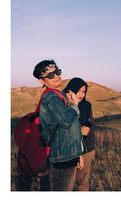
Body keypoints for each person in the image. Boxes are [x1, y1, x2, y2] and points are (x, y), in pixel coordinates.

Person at [33, 59, 84, 191]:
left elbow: (72, 126)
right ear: (41, 80)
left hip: (68, 155)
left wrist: (78, 153)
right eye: (50, 75)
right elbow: (66, 121)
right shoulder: (51, 97)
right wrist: (74, 105)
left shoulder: (59, 95)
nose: (56, 76)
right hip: (62, 158)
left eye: (57, 72)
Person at [63, 78, 95, 191]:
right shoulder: (62, 105)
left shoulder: (87, 105)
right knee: (67, 184)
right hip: (67, 150)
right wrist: (78, 131)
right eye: (79, 91)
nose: (81, 94)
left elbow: (91, 126)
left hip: (86, 149)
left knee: (83, 183)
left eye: (84, 91)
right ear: (71, 90)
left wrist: (92, 149)